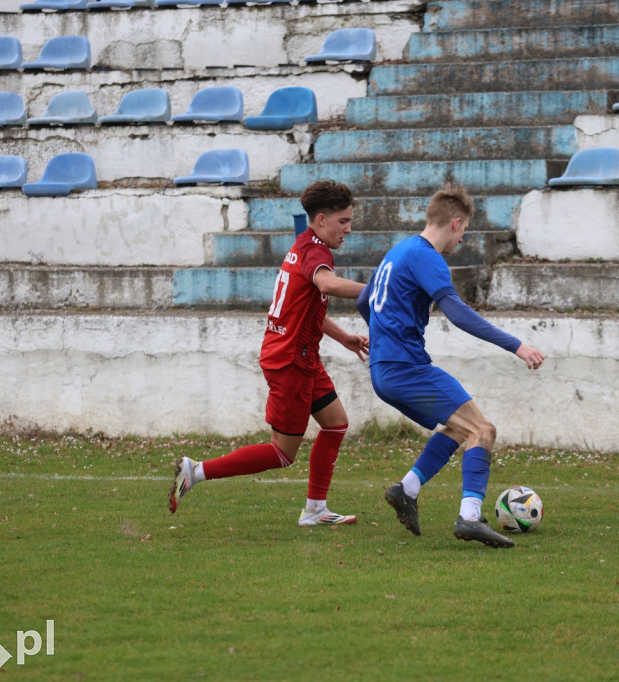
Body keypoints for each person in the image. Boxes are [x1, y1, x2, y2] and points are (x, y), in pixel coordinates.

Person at [169, 179, 369, 526]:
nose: (349, 229)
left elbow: (305, 308)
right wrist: (379, 286)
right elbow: (327, 285)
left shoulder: (305, 245)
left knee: (336, 425)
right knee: (281, 452)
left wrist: (344, 338)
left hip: (301, 355)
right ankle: (195, 471)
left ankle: (315, 510)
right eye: (344, 221)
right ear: (322, 219)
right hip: (291, 360)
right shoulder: (317, 252)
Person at [356, 185, 545, 548]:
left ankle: (406, 489)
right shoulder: (428, 257)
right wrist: (517, 345)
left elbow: (365, 300)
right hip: (406, 367)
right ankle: (469, 517)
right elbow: (457, 314)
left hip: (384, 369)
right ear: (455, 223)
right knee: (484, 431)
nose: (461, 241)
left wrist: (381, 335)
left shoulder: (398, 251)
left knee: (461, 428)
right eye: (464, 233)